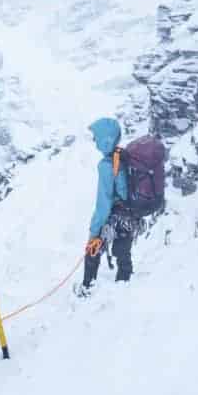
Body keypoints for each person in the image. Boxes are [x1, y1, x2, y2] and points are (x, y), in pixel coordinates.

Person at [80, 117, 142, 292]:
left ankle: (87, 287)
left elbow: (104, 203)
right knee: (123, 252)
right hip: (131, 214)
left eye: (96, 137)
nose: (94, 141)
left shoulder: (107, 165)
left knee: (93, 247)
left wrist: (94, 231)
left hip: (118, 215)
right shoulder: (123, 157)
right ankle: (124, 286)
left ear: (105, 140)